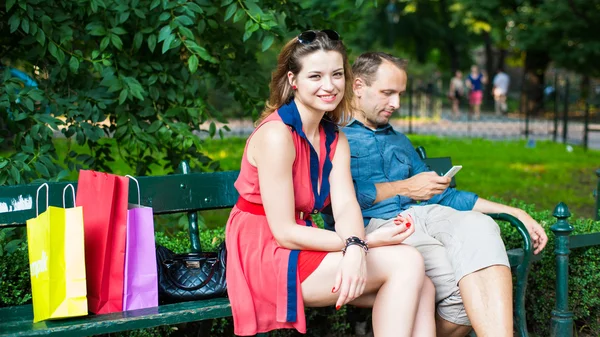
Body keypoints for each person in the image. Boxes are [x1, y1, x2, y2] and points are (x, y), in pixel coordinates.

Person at [225, 31, 436, 337]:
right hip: (267, 249)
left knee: (423, 285)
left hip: (305, 240)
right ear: (293, 80)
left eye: (337, 74)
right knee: (407, 262)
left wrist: (354, 248)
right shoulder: (276, 137)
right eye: (316, 76)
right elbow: (284, 232)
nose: (330, 85)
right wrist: (360, 243)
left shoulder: (333, 137)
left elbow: (347, 205)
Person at [331, 51, 548, 337]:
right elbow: (330, 199)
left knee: (481, 225)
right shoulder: (333, 136)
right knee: (460, 283)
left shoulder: (399, 140)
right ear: (358, 87)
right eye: (387, 93)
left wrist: (513, 211)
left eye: (400, 94)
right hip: (376, 228)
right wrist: (406, 187)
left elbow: (442, 197)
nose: (396, 103)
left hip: (422, 215)